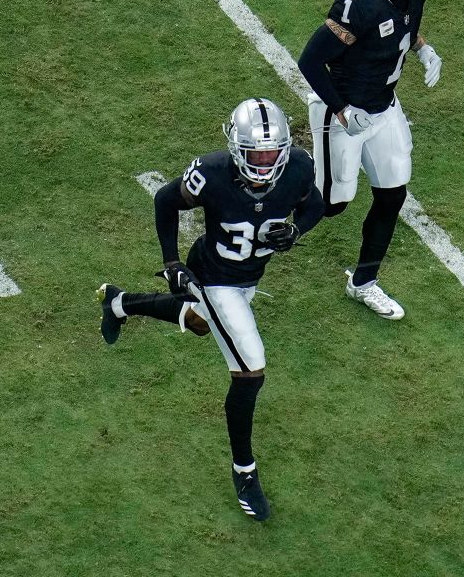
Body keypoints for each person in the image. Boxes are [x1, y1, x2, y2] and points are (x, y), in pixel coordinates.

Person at [97, 97, 324, 522]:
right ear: (237, 147)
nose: (264, 160)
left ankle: (119, 302)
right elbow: (166, 200)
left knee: (201, 324)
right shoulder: (212, 173)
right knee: (250, 369)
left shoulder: (297, 166)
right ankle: (245, 472)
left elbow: (314, 205)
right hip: (216, 277)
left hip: (246, 277)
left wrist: (296, 231)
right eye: (256, 151)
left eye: (272, 151)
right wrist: (171, 264)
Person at [296, 0, 448, 321]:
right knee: (330, 204)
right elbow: (311, 61)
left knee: (392, 195)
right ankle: (261, 216)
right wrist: (343, 110)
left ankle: (363, 283)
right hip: (341, 110)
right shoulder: (357, 3)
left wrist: (424, 50)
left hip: (384, 106)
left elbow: (404, 30)